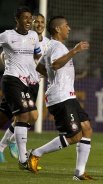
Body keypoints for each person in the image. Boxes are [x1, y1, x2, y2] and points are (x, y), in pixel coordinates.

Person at [29, 16, 93, 180]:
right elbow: (55, 65)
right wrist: (75, 51)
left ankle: (79, 173)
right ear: (58, 29)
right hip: (61, 98)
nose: (69, 28)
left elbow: (40, 66)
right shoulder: (57, 46)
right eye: (66, 25)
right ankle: (36, 153)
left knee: (86, 129)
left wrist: (52, 78)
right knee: (74, 136)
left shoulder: (52, 45)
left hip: (67, 95)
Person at [0, 12, 50, 164]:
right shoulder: (13, 36)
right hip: (15, 81)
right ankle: (8, 147)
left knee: (31, 116)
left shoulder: (46, 42)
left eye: (42, 21)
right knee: (9, 116)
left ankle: (11, 143)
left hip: (33, 84)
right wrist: (6, 63)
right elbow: (4, 55)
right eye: (36, 21)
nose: (39, 24)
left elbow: (38, 61)